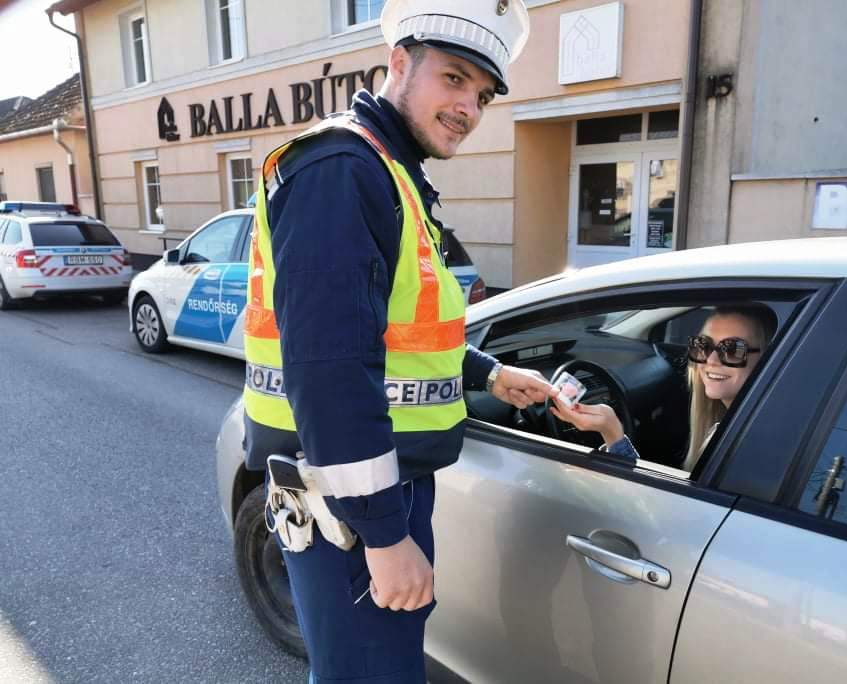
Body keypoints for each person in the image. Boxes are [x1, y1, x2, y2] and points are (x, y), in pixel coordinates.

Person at [242, 2, 553, 682]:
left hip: (367, 486)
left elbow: (385, 329)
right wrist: (382, 534)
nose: (468, 107)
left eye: (483, 94)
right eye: (454, 78)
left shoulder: (388, 169)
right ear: (399, 63)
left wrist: (485, 373)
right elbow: (328, 368)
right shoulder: (342, 168)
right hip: (350, 501)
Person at [550, 306, 776, 471]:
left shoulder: (744, 443)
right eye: (702, 345)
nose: (711, 359)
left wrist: (613, 433)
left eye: (733, 349)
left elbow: (671, 517)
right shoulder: (742, 424)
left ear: (767, 357)